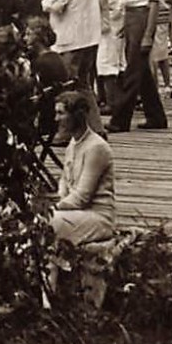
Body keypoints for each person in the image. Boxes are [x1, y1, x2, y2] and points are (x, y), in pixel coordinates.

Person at [108, 0, 169, 132]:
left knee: (132, 70)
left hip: (142, 15)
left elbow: (153, 2)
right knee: (141, 70)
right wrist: (126, 23)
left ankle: (120, 120)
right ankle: (156, 116)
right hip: (131, 15)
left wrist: (148, 35)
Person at [49, 90, 115, 246]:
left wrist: (53, 208)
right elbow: (64, 183)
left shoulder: (96, 148)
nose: (56, 119)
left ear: (76, 116)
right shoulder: (73, 144)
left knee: (46, 224)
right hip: (75, 212)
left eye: (61, 113)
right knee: (37, 223)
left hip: (97, 217)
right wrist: (57, 201)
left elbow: (82, 198)